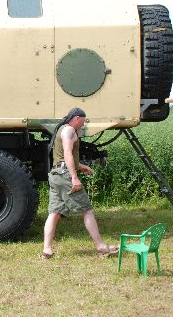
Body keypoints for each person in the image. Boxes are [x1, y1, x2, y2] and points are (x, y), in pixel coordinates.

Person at [41, 107, 118, 259]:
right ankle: (101, 246)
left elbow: (61, 156)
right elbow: (68, 153)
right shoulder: (69, 131)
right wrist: (74, 177)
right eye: (82, 122)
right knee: (87, 210)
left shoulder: (62, 129)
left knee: (54, 213)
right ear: (76, 118)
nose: (82, 125)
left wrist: (81, 167)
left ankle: (47, 250)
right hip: (65, 176)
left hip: (56, 174)